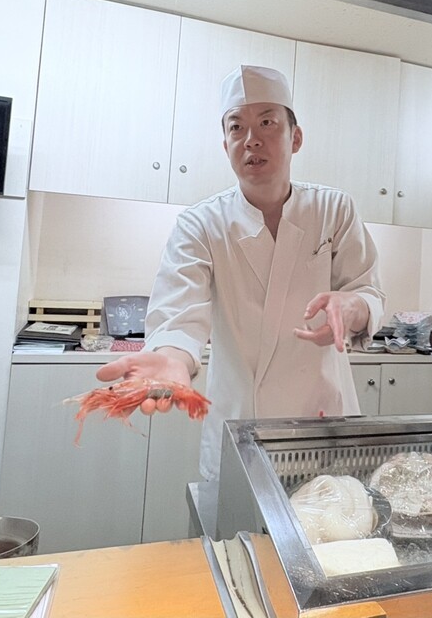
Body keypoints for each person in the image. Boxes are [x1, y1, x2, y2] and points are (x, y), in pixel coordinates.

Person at [97, 65, 385, 480]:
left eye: (267, 122)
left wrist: (352, 307)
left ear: (295, 137)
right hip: (241, 425)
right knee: (239, 522)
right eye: (237, 127)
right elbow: (179, 314)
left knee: (331, 518)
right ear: (226, 144)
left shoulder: (333, 209)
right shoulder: (201, 224)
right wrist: (172, 358)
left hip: (321, 419)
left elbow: (368, 291)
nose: (251, 139)